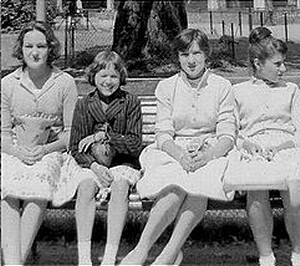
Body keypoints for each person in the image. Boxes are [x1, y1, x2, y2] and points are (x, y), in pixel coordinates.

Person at [120, 28, 236, 265]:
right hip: (172, 150)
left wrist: (207, 155)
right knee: (174, 188)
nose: (191, 60)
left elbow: (227, 134)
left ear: (206, 55)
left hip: (211, 151)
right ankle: (141, 250)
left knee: (200, 186)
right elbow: (163, 133)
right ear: (178, 57)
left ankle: (167, 255)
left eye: (196, 53)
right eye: (184, 54)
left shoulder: (222, 86)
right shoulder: (166, 87)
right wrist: (181, 155)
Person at [1, 21, 81, 265]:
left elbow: (71, 133)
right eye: (28, 46)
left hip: (50, 151)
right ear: (21, 50)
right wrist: (17, 151)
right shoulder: (8, 84)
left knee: (38, 188)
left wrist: (44, 150)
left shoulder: (65, 83)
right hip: (14, 150)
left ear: (50, 49)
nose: (34, 52)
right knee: (6, 191)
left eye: (41, 46)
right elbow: (2, 133)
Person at [225, 27, 300, 266]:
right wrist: (245, 144)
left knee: (295, 189)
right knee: (256, 189)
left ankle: (298, 252)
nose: (283, 69)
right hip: (253, 149)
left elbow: (299, 130)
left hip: (286, 147)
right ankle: (266, 255)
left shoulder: (291, 91)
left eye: (283, 63)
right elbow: (231, 131)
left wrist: (285, 145)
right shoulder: (238, 91)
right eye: (277, 64)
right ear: (258, 63)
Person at [69, 50, 143, 266]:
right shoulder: (84, 104)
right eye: (103, 75)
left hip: (123, 163)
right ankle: (84, 257)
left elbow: (135, 144)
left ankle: (110, 256)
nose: (108, 81)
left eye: (113, 76)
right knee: (85, 188)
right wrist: (93, 166)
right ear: (93, 76)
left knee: (120, 187)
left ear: (121, 77)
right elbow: (75, 146)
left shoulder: (130, 102)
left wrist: (105, 136)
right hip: (90, 164)